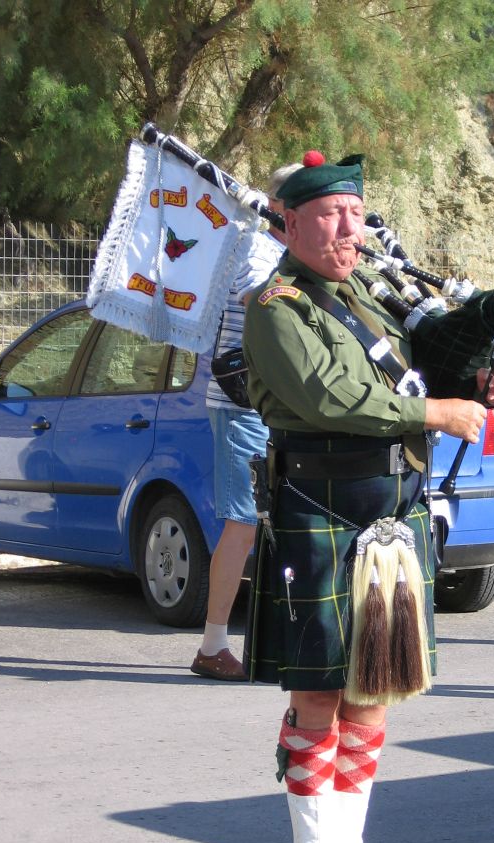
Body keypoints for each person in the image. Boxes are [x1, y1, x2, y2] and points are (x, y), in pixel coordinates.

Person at [242, 153, 494, 843]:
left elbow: (417, 366)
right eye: (329, 215)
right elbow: (334, 397)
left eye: (355, 214)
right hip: (320, 508)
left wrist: (484, 379)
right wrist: (439, 414)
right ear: (291, 223)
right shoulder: (275, 308)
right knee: (320, 694)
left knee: (376, 684)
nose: (346, 229)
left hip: (391, 510)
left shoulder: (366, 294)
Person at [190, 162, 302, 681]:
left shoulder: (278, 251)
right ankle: (213, 645)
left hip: (267, 405)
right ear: (282, 208)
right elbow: (258, 303)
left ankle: (275, 635)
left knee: (268, 524)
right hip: (242, 406)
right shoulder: (258, 249)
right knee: (242, 526)